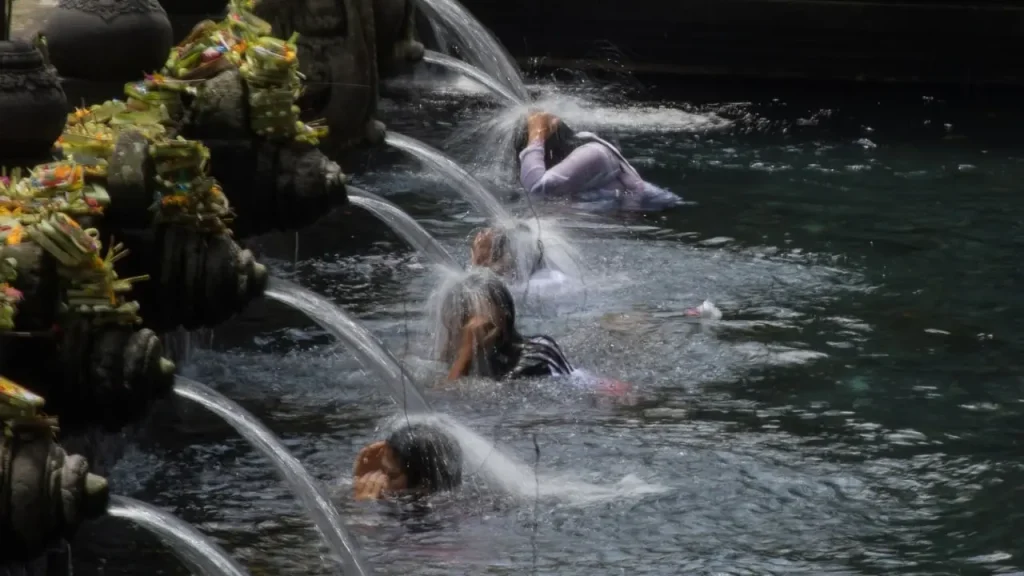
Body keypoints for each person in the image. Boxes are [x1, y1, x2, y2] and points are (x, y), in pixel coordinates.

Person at [515, 112, 683, 211]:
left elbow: (536, 188)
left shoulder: (594, 153)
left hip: (660, 214)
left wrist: (536, 134)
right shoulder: (568, 164)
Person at [439, 268, 574, 381]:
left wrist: (466, 354)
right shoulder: (451, 360)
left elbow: (451, 396)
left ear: (504, 317)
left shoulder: (532, 357)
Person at [353, 423, 463, 501]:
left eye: (391, 475)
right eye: (382, 470)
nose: (379, 479)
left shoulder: (431, 520)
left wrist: (365, 508)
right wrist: (358, 478)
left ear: (423, 486)